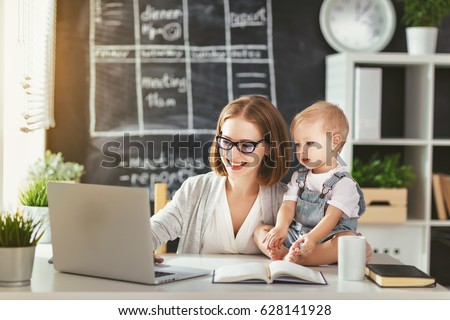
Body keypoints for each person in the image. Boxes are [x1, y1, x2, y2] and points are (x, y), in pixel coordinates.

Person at [151, 95, 291, 260]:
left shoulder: (286, 200)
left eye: (246, 145)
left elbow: (303, 254)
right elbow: (155, 229)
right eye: (226, 141)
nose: (232, 154)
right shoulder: (195, 189)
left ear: (269, 147)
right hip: (198, 286)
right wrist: (140, 248)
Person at [254, 100, 368, 266]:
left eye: (310, 143)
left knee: (348, 240)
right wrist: (281, 227)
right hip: (299, 234)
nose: (301, 151)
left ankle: (303, 258)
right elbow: (287, 206)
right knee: (260, 231)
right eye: (298, 145)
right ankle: (287, 252)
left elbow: (331, 217)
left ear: (334, 142)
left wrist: (312, 239)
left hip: (326, 238)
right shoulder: (299, 177)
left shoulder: (344, 183)